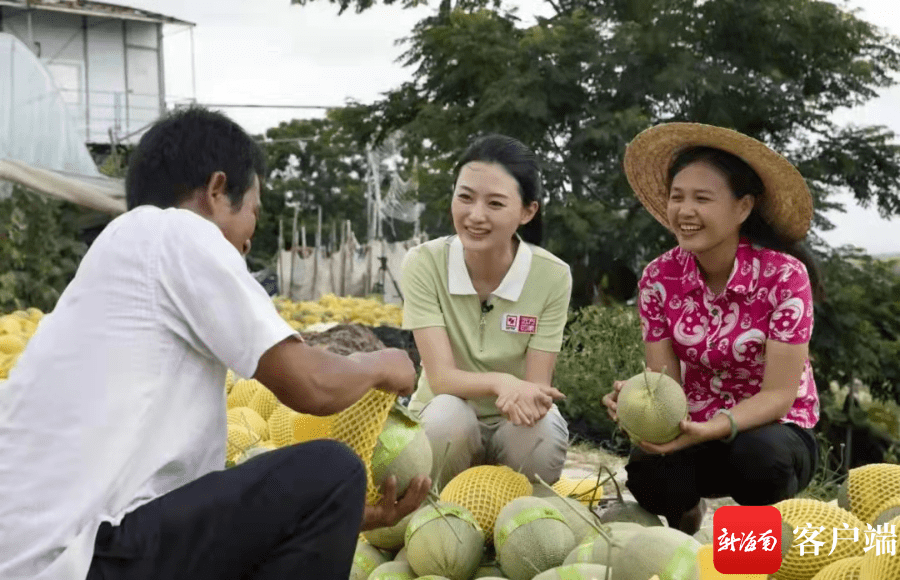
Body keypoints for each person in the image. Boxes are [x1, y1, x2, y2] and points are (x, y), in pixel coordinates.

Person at [0, 106, 430, 580]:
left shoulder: (120, 257)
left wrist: (332, 516)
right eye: (253, 214)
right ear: (217, 190)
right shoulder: (175, 232)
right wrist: (383, 363)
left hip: (50, 558)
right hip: (78, 561)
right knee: (332, 472)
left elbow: (186, 507)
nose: (247, 244)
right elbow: (309, 384)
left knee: (321, 491)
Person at [603, 123, 822, 534]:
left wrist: (714, 426)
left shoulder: (784, 276)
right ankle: (686, 518)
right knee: (648, 471)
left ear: (743, 208)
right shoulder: (659, 278)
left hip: (773, 431)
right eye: (677, 197)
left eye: (702, 199)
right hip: (694, 429)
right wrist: (637, 399)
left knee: (760, 457)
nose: (685, 211)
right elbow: (666, 382)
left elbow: (778, 397)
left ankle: (747, 548)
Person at [400, 134, 572, 490]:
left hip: (512, 422)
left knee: (541, 433)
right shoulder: (424, 263)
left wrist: (521, 394)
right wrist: (501, 382)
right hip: (445, 416)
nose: (475, 215)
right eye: (465, 197)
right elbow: (441, 379)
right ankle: (438, 504)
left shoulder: (552, 275)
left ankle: (515, 508)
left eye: (495, 203)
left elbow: (536, 385)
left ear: (527, 212)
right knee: (447, 417)